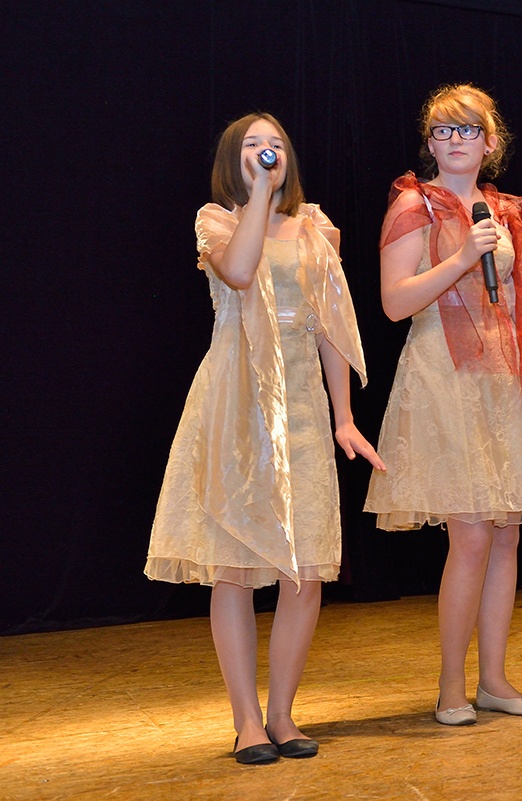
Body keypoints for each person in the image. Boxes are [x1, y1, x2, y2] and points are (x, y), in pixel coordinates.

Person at [145, 113, 384, 763]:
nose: (267, 151)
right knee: (235, 569)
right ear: (236, 158)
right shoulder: (217, 220)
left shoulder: (316, 228)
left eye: (275, 144)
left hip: (302, 408)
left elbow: (331, 325)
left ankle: (282, 714)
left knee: (304, 571)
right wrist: (257, 197)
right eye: (253, 144)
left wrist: (344, 417)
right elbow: (241, 272)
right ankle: (246, 720)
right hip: (237, 402)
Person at [364, 84, 522, 726]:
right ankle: (450, 686)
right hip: (444, 376)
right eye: (443, 130)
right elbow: (394, 303)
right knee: (473, 534)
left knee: (506, 534)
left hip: (505, 379)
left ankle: (494, 680)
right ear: (429, 144)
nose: (455, 140)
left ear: (491, 142)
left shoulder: (502, 211)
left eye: (468, 129)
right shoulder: (414, 204)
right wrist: (461, 258)